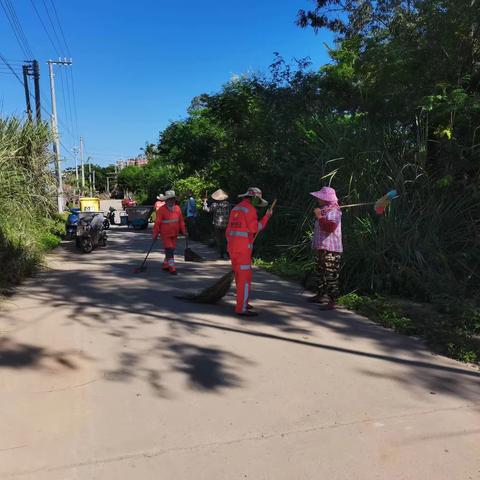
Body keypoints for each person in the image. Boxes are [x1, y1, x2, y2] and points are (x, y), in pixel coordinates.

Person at [226, 187, 273, 317]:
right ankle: (242, 307)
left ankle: (242, 302)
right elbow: (254, 228)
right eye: (257, 200)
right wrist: (266, 217)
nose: (257, 203)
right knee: (244, 279)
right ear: (253, 198)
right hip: (243, 249)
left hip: (232, 248)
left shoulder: (236, 208)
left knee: (239, 277)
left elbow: (228, 230)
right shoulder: (250, 209)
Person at [309, 186, 343, 310]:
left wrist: (319, 217)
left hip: (331, 249)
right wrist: (321, 214)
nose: (318, 199)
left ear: (326, 199)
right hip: (322, 247)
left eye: (321, 197)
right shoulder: (325, 210)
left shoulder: (335, 211)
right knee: (320, 272)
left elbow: (330, 228)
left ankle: (333, 300)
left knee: (330, 274)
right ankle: (320, 295)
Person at [152, 190, 186, 275]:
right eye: (170, 199)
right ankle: (172, 268)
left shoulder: (177, 208)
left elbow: (181, 221)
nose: (171, 201)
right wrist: (155, 234)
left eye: (173, 199)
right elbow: (157, 223)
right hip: (165, 235)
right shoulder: (161, 210)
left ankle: (165, 264)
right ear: (166, 200)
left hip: (175, 234)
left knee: (171, 250)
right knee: (170, 250)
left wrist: (184, 231)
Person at [203, 189, 231, 259]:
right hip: (226, 224)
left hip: (217, 224)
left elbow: (207, 210)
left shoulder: (214, 205)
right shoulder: (228, 204)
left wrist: (205, 202)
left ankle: (221, 253)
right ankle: (227, 252)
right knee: (226, 239)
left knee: (219, 239)